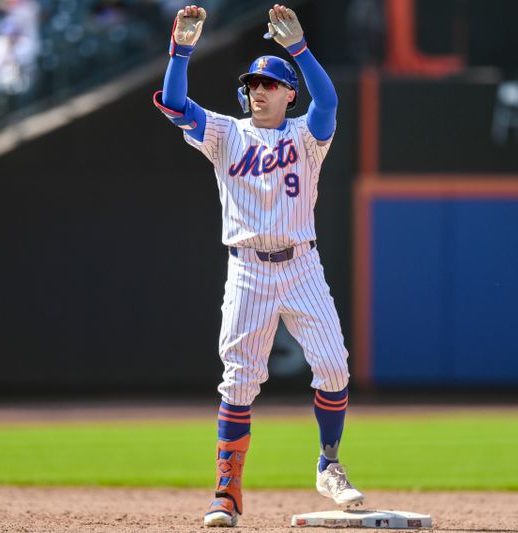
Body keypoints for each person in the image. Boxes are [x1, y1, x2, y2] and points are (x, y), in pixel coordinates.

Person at [153, 4, 363, 528]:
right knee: (239, 381)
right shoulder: (226, 133)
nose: (259, 91)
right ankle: (226, 493)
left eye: (270, 84)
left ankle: (329, 465)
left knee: (335, 367)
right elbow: (176, 103)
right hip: (248, 269)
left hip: (301, 265)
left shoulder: (307, 137)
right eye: (253, 84)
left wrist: (299, 51)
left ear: (290, 92)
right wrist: (180, 50)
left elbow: (330, 100)